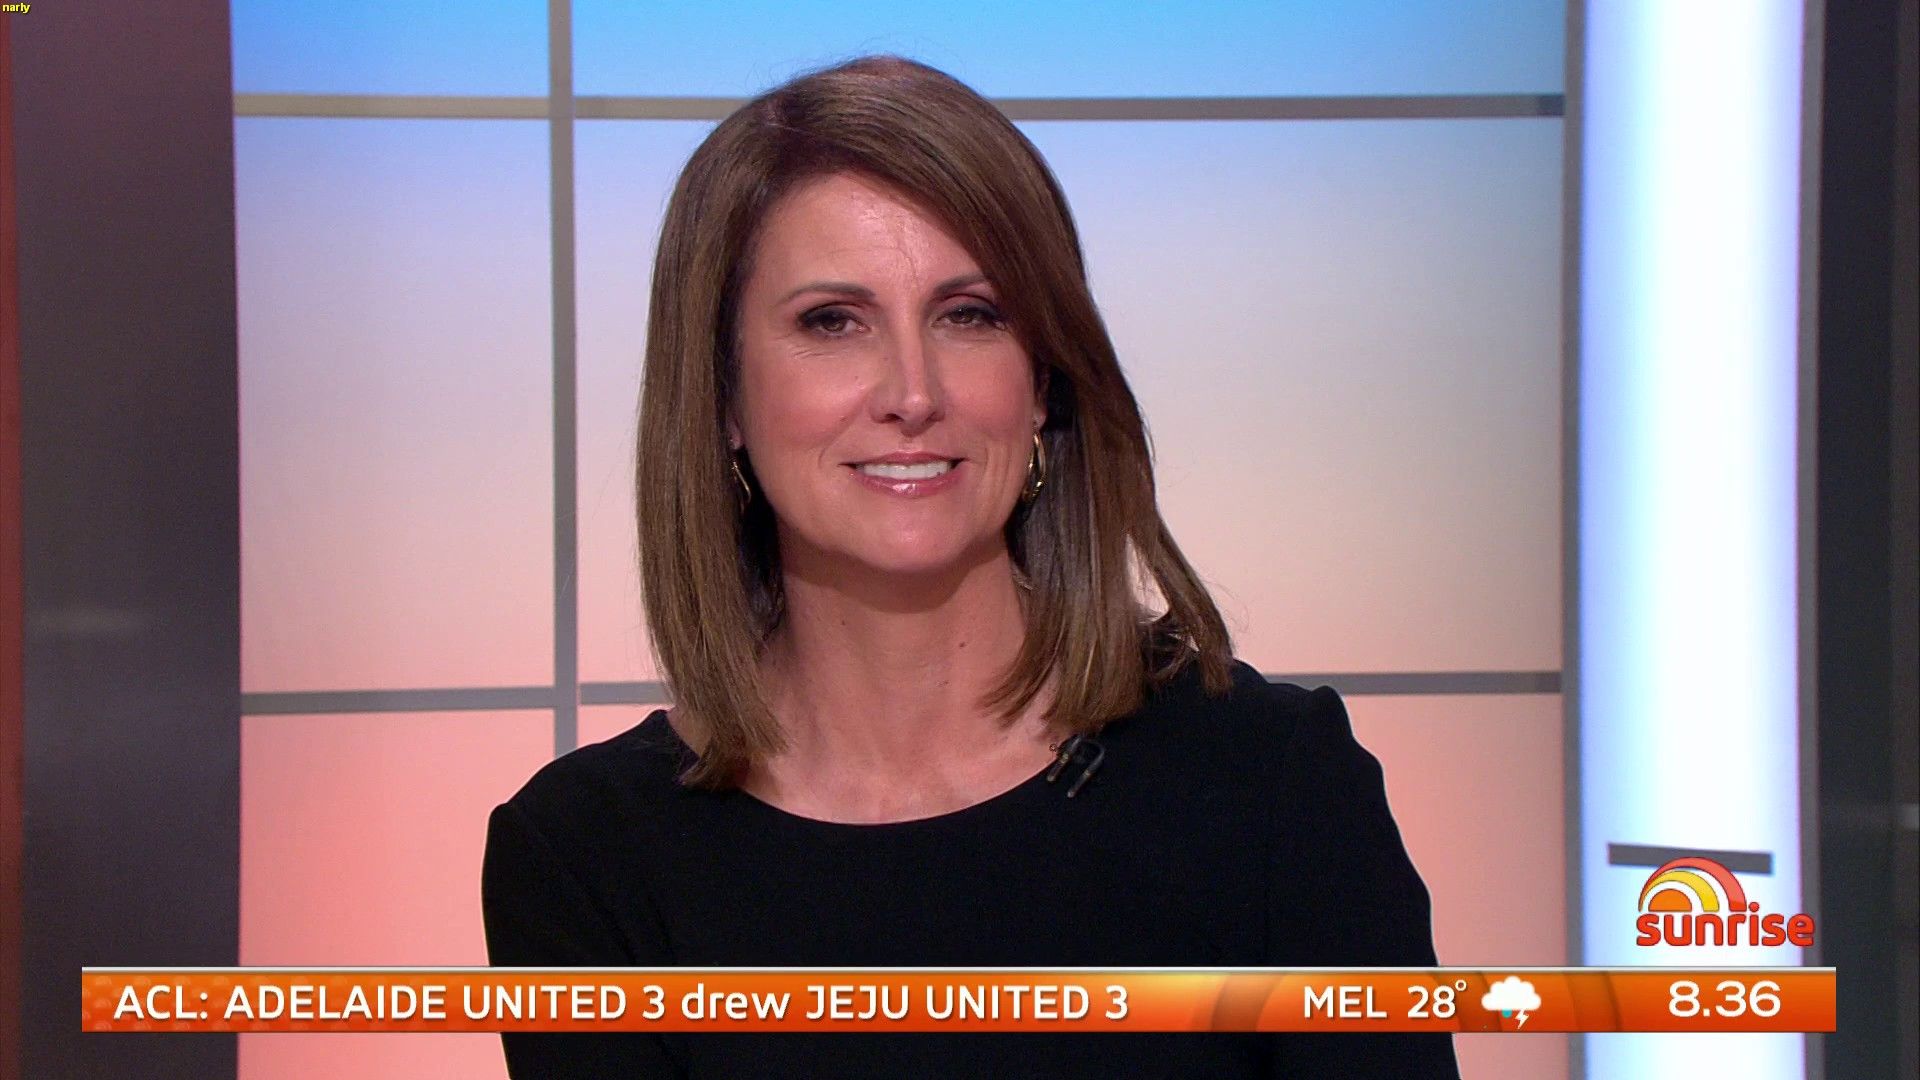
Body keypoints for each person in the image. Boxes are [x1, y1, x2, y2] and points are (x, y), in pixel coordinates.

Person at [481, 54, 1457, 1078]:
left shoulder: (1272, 786)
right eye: (832, 322)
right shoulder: (587, 855)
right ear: (723, 393)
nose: (913, 392)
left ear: (1041, 382)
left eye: (970, 315)